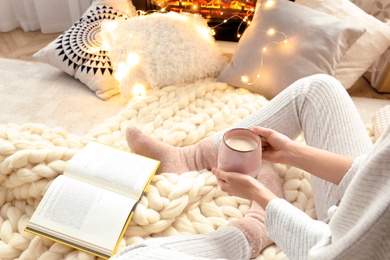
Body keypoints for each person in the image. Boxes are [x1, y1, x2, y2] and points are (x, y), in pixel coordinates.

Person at [113, 74, 390, 259]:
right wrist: (292, 153)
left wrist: (263, 199)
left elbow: (330, 252)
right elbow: (375, 173)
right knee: (317, 89)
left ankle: (256, 228)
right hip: (357, 209)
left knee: (134, 256)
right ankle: (189, 159)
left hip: (339, 239)